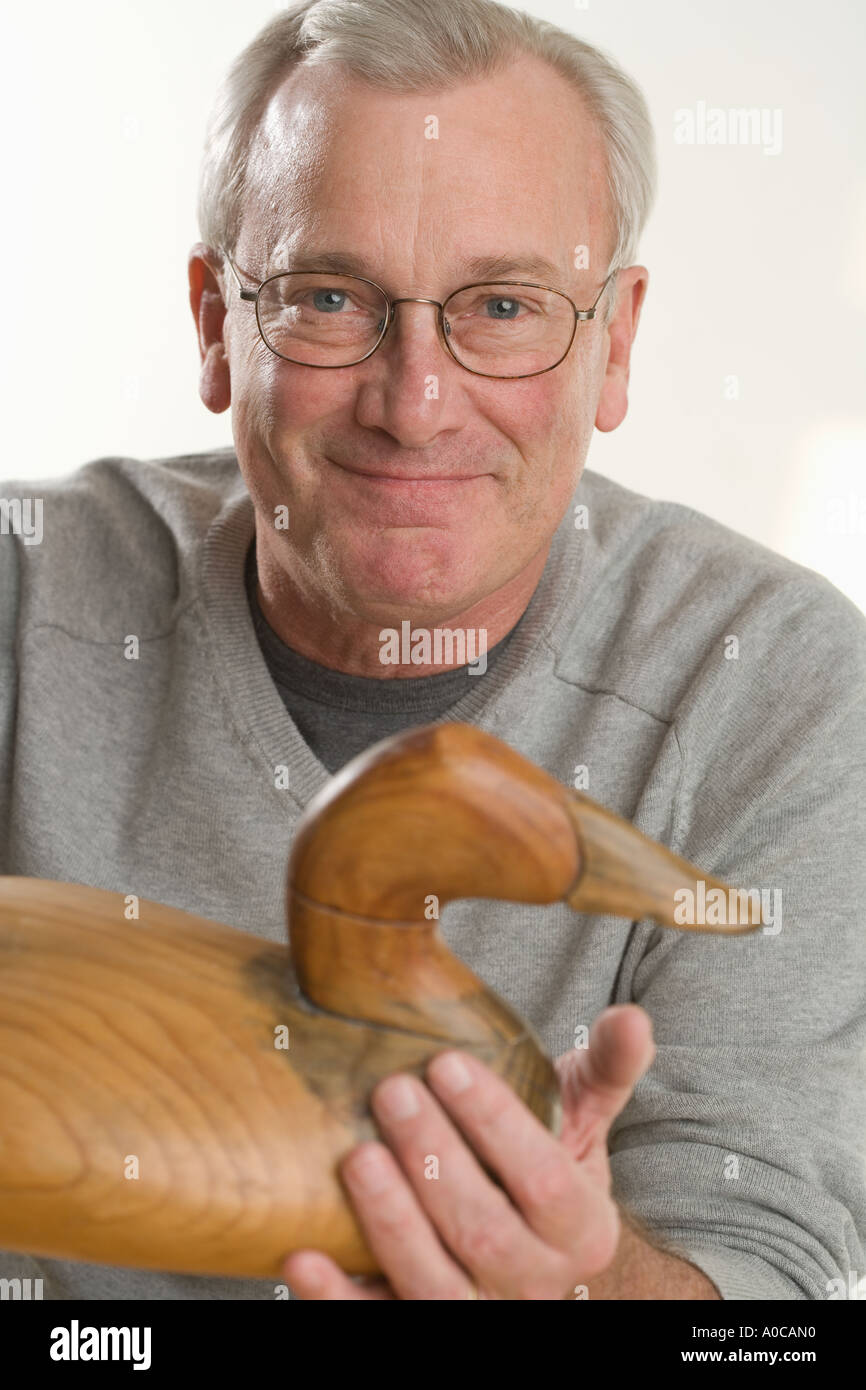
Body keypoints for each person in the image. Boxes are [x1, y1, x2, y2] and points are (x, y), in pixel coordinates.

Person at [0, 0, 864, 1302]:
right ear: (210, 323)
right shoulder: (26, 588)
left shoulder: (780, 688)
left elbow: (765, 1276)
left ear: (614, 344)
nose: (415, 405)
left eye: (502, 306)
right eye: (329, 296)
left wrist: (588, 1282)